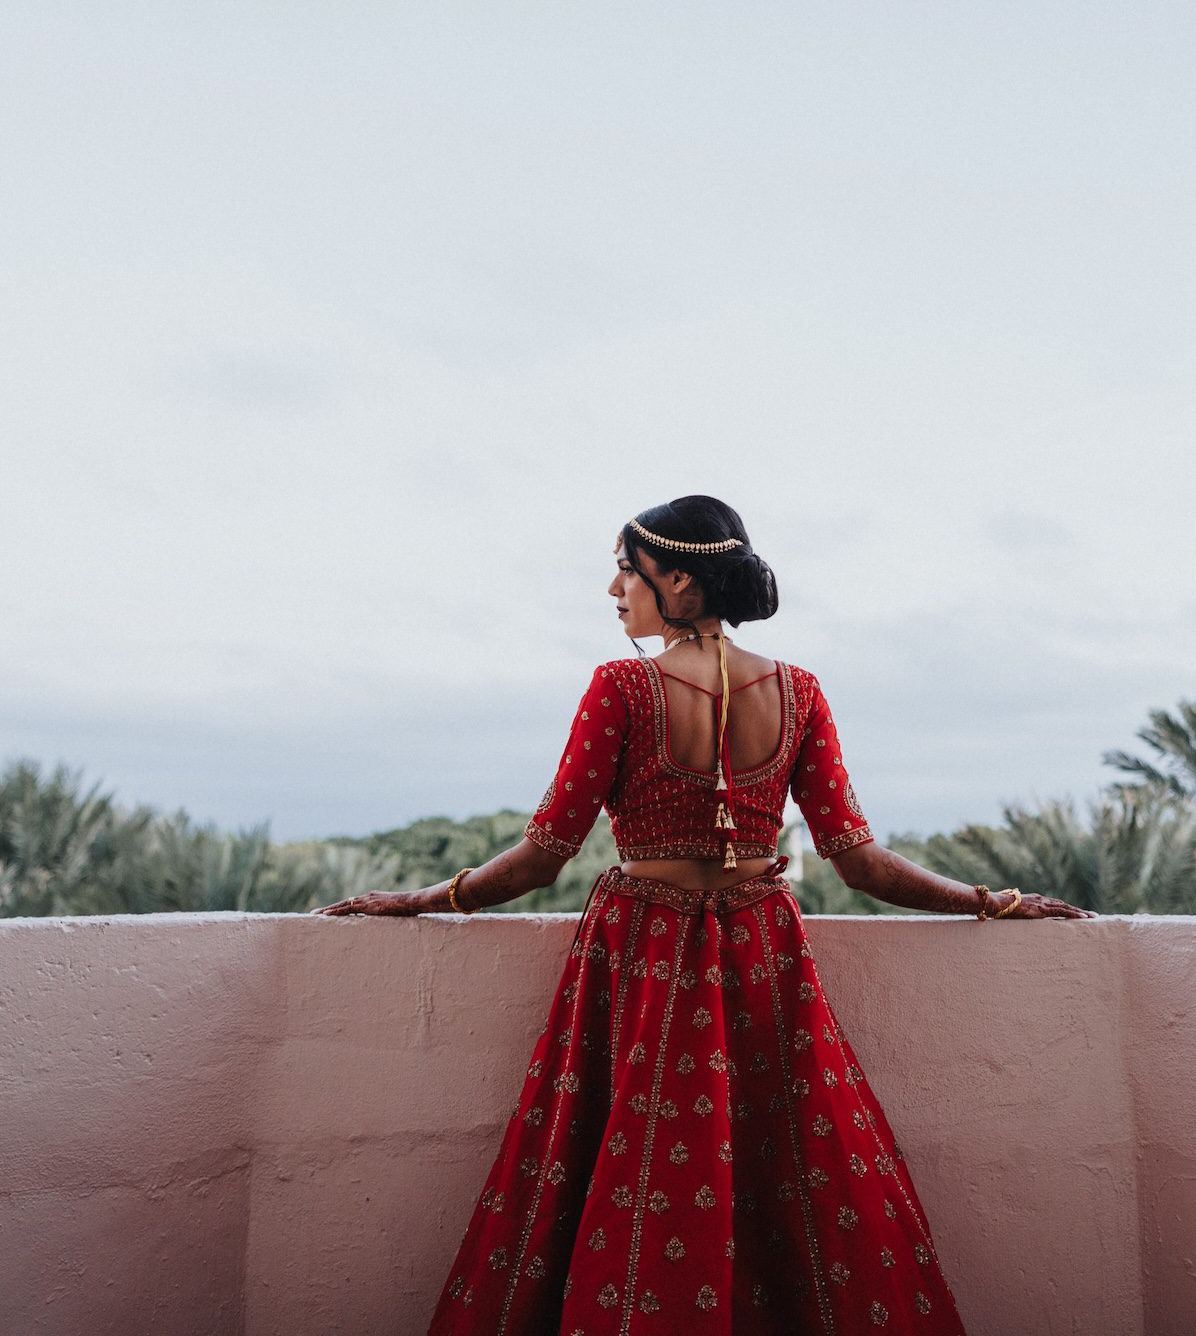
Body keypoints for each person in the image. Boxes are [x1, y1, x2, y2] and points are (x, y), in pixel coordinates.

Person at [318, 495, 1090, 1332]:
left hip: (642, 947)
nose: (614, 590)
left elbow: (543, 857)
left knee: (635, 1160)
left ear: (676, 579)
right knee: (783, 1162)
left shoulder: (621, 687)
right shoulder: (798, 691)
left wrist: (421, 900)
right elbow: (860, 861)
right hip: (761, 945)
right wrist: (990, 902)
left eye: (625, 570)